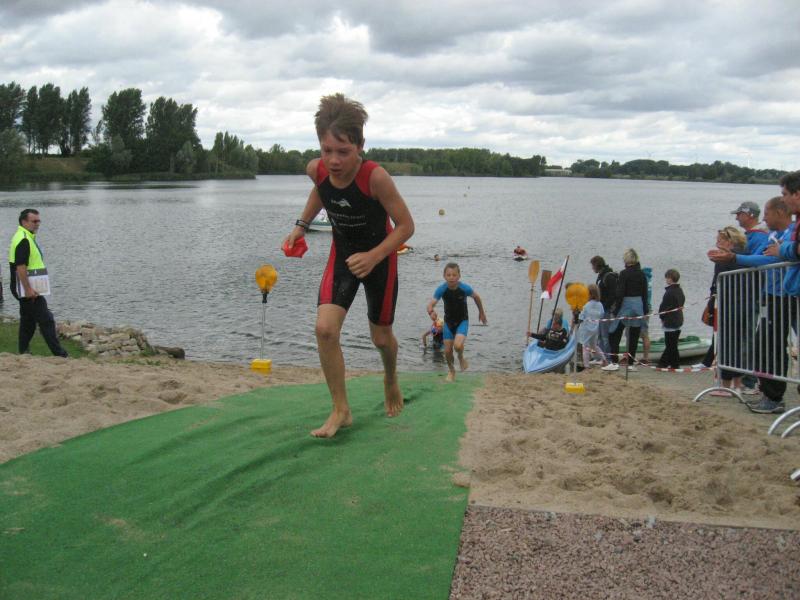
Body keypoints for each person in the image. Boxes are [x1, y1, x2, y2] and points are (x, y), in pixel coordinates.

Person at [284, 93, 414, 438]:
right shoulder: (317, 169)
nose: (334, 160)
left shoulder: (375, 178)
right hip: (342, 256)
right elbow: (321, 190)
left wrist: (374, 256)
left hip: (379, 260)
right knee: (325, 329)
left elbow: (406, 227)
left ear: (360, 146)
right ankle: (341, 410)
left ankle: (390, 378)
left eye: (343, 152)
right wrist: (301, 225)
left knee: (381, 338)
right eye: (327, 150)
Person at [8, 209, 69, 358]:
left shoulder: (24, 236)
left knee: (28, 321)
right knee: (46, 320)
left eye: (38, 221)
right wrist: (28, 289)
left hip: (26, 287)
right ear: (24, 222)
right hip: (27, 288)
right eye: (34, 221)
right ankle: (60, 355)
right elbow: (20, 266)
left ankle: (23, 352)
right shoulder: (23, 239)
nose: (37, 224)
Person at [703, 226, 747, 396]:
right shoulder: (742, 256)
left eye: (720, 240)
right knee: (736, 344)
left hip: (729, 303)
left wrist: (712, 301)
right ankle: (737, 384)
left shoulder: (726, 259)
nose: (717, 243)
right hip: (739, 303)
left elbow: (717, 283)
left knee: (727, 344)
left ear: (729, 241)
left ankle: (726, 386)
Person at [426, 262, 487, 382]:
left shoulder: (464, 288)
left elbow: (476, 297)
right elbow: (430, 304)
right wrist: (431, 312)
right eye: (448, 275)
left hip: (462, 321)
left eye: (454, 275)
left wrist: (481, 312)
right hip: (448, 323)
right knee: (447, 351)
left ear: (459, 276)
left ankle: (460, 357)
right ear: (444, 276)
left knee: (458, 346)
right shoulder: (442, 289)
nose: (451, 277)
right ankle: (452, 371)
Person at [731, 200, 769, 393]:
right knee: (740, 337)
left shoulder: (760, 236)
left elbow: (760, 260)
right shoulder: (748, 236)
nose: (737, 217)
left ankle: (750, 380)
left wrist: (733, 257)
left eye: (739, 214)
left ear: (749, 215)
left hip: (752, 294)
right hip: (742, 294)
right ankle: (741, 376)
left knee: (748, 337)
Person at [602, 249, 648, 372]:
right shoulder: (642, 274)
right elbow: (645, 293)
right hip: (638, 305)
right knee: (634, 335)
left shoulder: (624, 273)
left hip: (627, 305)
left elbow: (620, 293)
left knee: (614, 332)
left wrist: (616, 310)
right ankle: (631, 364)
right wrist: (645, 310)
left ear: (626, 260)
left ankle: (614, 362)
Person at [656, 269, 685, 369]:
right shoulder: (679, 290)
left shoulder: (669, 292)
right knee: (673, 344)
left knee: (670, 344)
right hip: (678, 319)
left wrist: (661, 316)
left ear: (670, 279)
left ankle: (671, 364)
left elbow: (664, 307)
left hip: (670, 320)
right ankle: (668, 363)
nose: (666, 280)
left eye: (667, 278)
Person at [590, 256, 616, 360]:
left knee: (605, 336)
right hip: (600, 310)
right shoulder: (600, 276)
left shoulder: (608, 276)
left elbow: (612, 295)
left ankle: (608, 359)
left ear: (597, 265)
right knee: (599, 335)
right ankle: (600, 358)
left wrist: (604, 306)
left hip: (606, 310)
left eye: (593, 266)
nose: (592, 268)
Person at [577, 284, 606, 368]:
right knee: (594, 346)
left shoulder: (586, 305)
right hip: (595, 328)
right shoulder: (600, 304)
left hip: (586, 329)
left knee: (585, 347)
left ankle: (586, 365)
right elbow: (602, 314)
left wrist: (577, 324)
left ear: (590, 294)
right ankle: (604, 359)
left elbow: (581, 317)